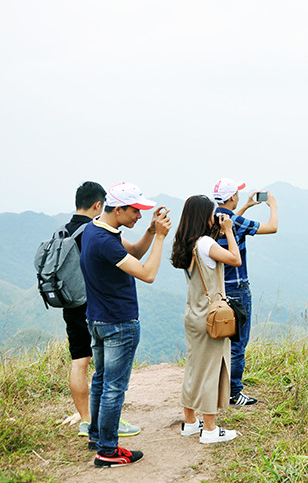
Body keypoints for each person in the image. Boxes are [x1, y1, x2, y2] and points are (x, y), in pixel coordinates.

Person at [80, 182, 171, 467]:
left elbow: (135, 253)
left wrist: (151, 231)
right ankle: (108, 451)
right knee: (114, 388)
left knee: (101, 381)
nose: (139, 216)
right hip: (118, 322)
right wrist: (161, 238)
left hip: (97, 319)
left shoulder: (95, 229)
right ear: (118, 209)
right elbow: (147, 273)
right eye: (135, 211)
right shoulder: (106, 241)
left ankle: (97, 436)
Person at [62, 182, 142, 441]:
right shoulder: (96, 231)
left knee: (82, 364)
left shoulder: (64, 231)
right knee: (111, 383)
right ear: (98, 204)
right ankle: (108, 434)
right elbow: (141, 265)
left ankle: (88, 421)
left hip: (71, 303)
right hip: (100, 307)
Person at [170, 195, 243, 443]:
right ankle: (210, 429)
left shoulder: (187, 242)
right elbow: (235, 259)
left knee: (194, 368)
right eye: (211, 214)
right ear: (204, 216)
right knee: (212, 370)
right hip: (211, 317)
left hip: (193, 314)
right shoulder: (206, 243)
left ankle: (190, 422)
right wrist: (229, 231)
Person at [212, 178, 278, 406]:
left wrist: (247, 206)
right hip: (238, 290)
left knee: (221, 341)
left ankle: (219, 388)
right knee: (238, 343)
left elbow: (232, 223)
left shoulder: (212, 219)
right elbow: (272, 227)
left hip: (218, 290)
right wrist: (273, 206)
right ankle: (233, 392)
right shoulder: (235, 222)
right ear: (232, 197)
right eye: (237, 194)